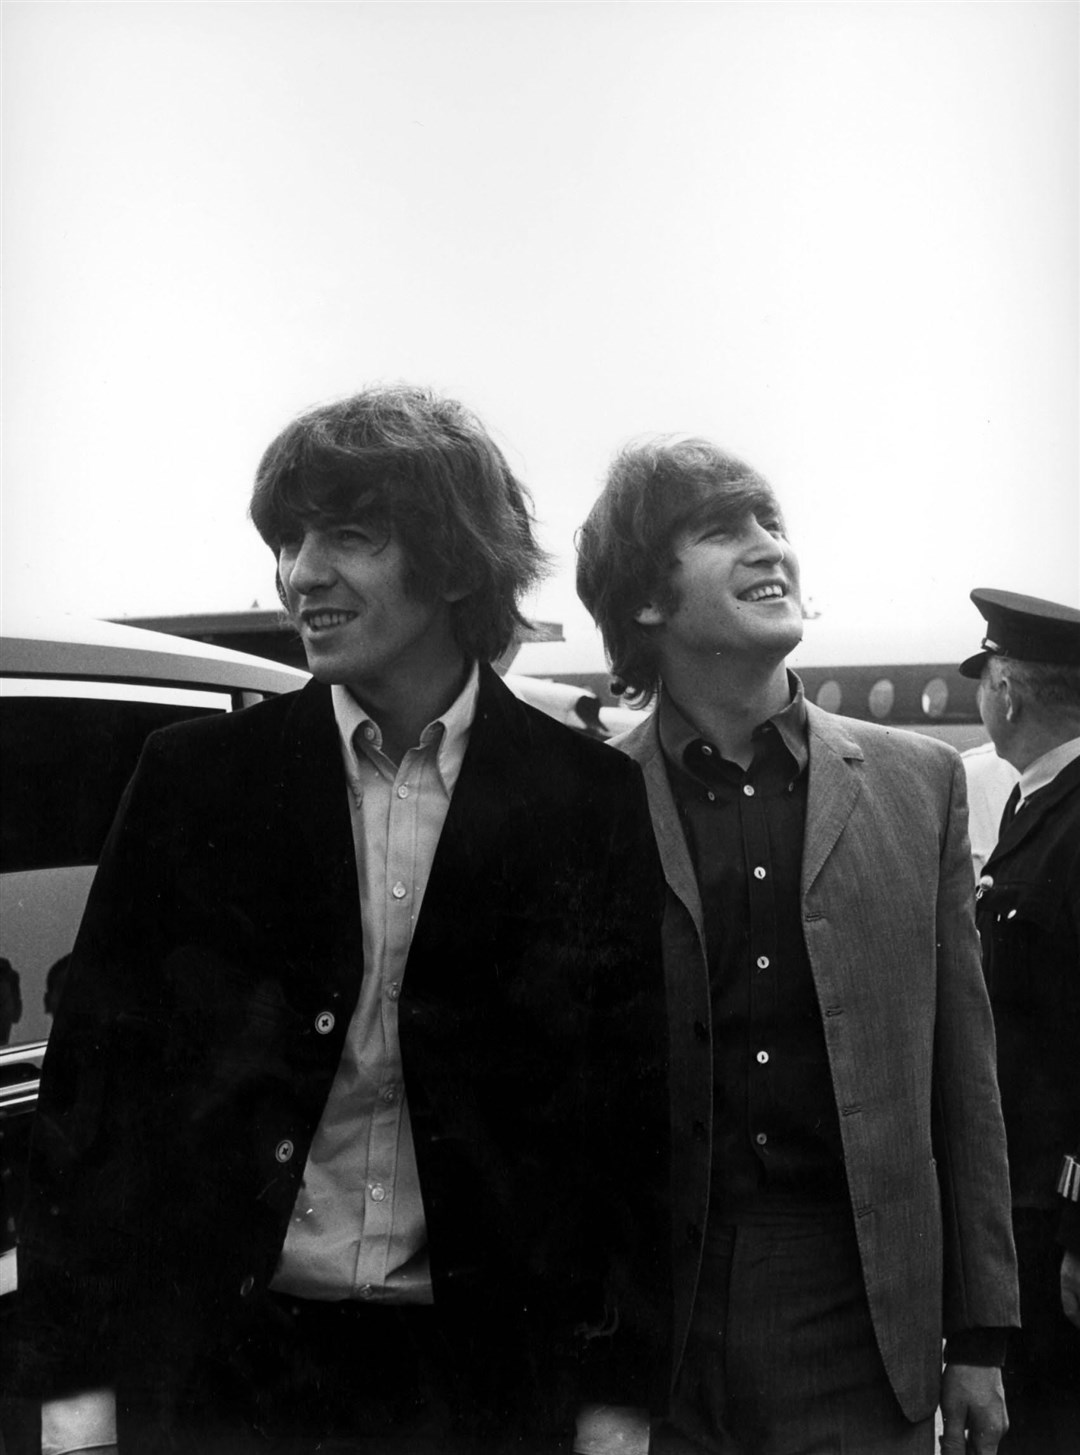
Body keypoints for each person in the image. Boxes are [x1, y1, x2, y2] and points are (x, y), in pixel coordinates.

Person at [14, 386, 671, 1455]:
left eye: (350, 538)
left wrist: (614, 1398)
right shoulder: (198, 782)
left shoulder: (580, 798)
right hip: (229, 1371)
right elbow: (96, 1091)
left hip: (479, 1386)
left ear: (458, 563)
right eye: (289, 540)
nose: (301, 574)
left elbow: (625, 1121)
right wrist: (74, 1383)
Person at [575, 436, 1019, 1455]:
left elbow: (966, 1072)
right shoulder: (584, 793)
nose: (769, 547)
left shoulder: (920, 785)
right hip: (656, 1320)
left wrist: (982, 1334)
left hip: (864, 1313)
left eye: (771, 523)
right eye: (722, 529)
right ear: (645, 600)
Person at [960, 587, 1080, 1452]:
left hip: (1057, 1216)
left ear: (1008, 691)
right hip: (1028, 1207)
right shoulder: (1039, 805)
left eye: (986, 680)